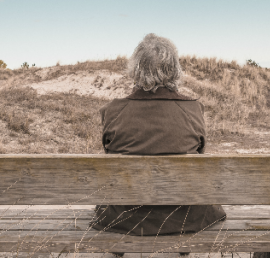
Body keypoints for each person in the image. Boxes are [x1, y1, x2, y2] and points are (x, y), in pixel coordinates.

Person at [90, 34, 227, 240]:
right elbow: (199, 154)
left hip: (126, 219)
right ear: (174, 69)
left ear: (136, 69)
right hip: (185, 217)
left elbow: (110, 154)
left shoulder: (113, 111)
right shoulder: (193, 110)